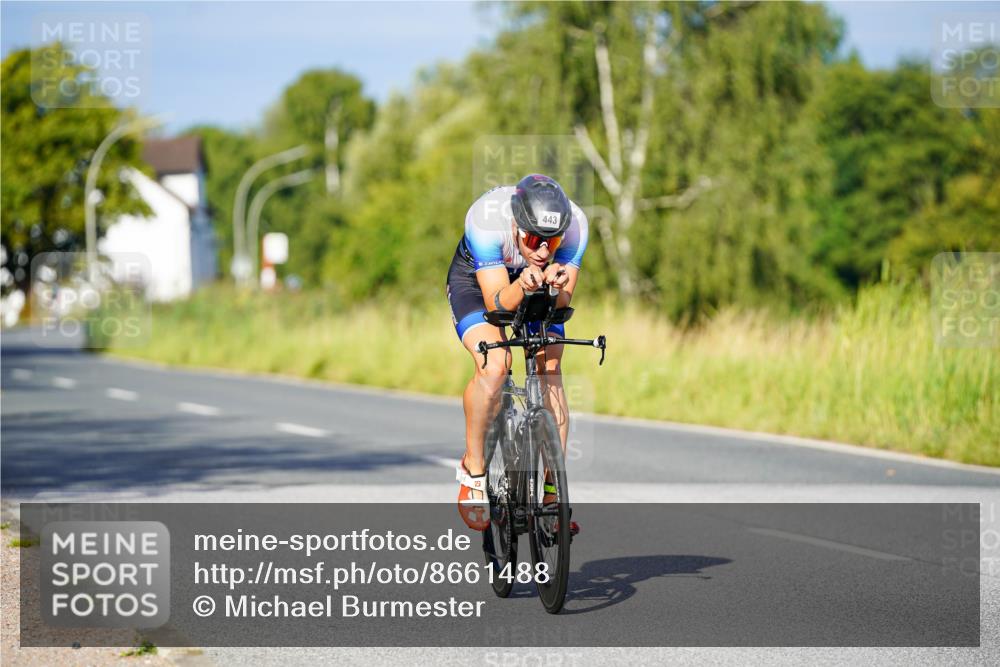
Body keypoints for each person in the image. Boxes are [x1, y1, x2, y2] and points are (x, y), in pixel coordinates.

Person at [445, 174, 589, 531]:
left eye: (551, 242)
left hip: (534, 285)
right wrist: (522, 283)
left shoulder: (576, 226)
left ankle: (554, 493)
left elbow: (565, 301)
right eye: (534, 240)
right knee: (496, 365)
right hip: (481, 283)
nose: (543, 250)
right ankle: (474, 469)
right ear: (515, 224)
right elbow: (497, 303)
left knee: (550, 366)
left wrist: (554, 289)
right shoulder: (485, 221)